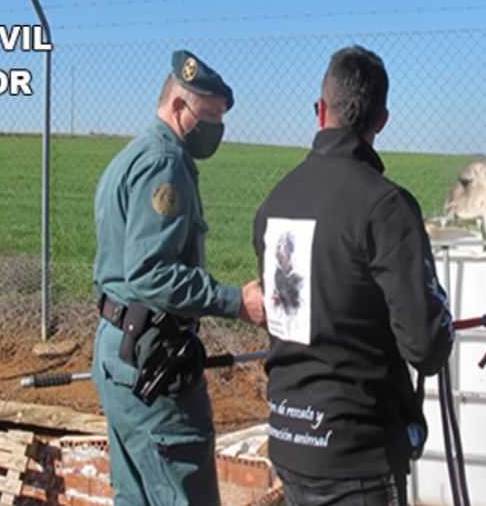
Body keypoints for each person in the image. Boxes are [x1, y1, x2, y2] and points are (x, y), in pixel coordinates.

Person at [254, 46, 454, 505]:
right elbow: (425, 347)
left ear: (319, 110)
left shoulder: (274, 204)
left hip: (289, 440)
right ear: (381, 121)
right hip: (356, 460)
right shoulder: (386, 208)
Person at [91, 50, 265, 506]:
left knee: (134, 497)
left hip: (118, 352)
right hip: (151, 363)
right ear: (177, 107)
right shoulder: (163, 165)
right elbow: (150, 272)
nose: (215, 133)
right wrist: (235, 302)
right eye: (208, 118)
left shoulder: (130, 157)